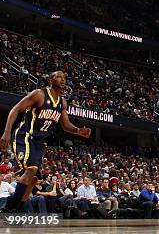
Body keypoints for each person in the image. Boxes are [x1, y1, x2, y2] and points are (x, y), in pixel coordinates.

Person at [0, 71, 91, 212]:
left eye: (64, 77)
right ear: (50, 79)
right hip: (24, 136)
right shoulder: (39, 94)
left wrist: (78, 131)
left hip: (38, 142)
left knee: (34, 179)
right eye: (59, 76)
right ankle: (9, 210)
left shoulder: (62, 102)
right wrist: (6, 132)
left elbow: (66, 125)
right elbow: (16, 109)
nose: (62, 79)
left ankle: (17, 209)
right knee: (31, 170)